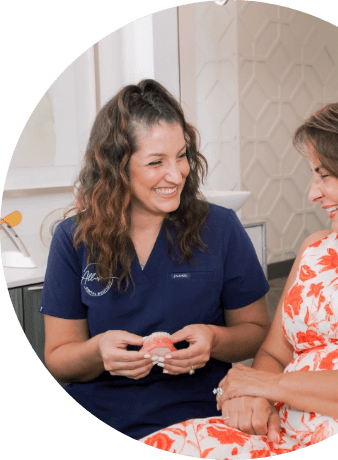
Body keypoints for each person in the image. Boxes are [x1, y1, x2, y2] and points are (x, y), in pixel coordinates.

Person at [139, 94, 338, 457]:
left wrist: (270, 387)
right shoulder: (317, 246)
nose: (312, 193)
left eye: (323, 176)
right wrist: (255, 396)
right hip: (276, 427)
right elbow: (273, 354)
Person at [39, 79, 271, 440]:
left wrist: (213, 338)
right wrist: (98, 352)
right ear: (116, 167)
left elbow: (256, 332)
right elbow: (58, 358)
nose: (176, 173)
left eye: (181, 156)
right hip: (101, 413)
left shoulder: (221, 227)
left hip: (200, 410)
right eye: (155, 162)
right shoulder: (73, 238)